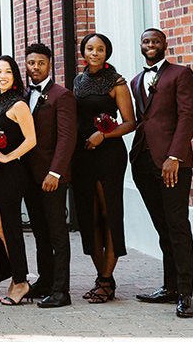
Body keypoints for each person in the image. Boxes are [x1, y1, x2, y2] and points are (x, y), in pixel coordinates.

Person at [130, 28, 193, 318]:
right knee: (162, 228)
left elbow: (188, 115)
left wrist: (174, 156)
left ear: (164, 45)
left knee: (177, 226)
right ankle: (169, 287)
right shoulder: (135, 80)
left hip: (173, 163)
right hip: (144, 162)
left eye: (155, 41)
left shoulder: (181, 74)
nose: (150, 45)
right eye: (146, 41)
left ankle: (185, 294)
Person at [72, 33, 135, 304]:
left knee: (108, 211)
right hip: (82, 156)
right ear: (83, 52)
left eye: (100, 49)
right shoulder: (78, 81)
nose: (94, 53)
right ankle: (102, 278)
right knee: (90, 214)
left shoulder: (117, 82)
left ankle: (107, 280)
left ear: (106, 52)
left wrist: (104, 135)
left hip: (108, 154)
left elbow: (130, 122)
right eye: (90, 48)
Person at [22, 44, 76, 308]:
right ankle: (44, 281)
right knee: (40, 233)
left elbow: (67, 138)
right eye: (31, 63)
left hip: (52, 176)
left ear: (49, 64)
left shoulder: (61, 95)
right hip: (30, 176)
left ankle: (61, 290)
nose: (35, 67)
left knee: (57, 233)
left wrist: (55, 172)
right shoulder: (23, 95)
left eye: (40, 63)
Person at [0, 56, 37, 305]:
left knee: (11, 228)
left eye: (7, 71)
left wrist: (7, 157)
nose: (2, 75)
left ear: (15, 75)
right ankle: (17, 277)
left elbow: (31, 139)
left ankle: (22, 281)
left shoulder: (18, 104)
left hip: (14, 174)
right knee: (1, 228)